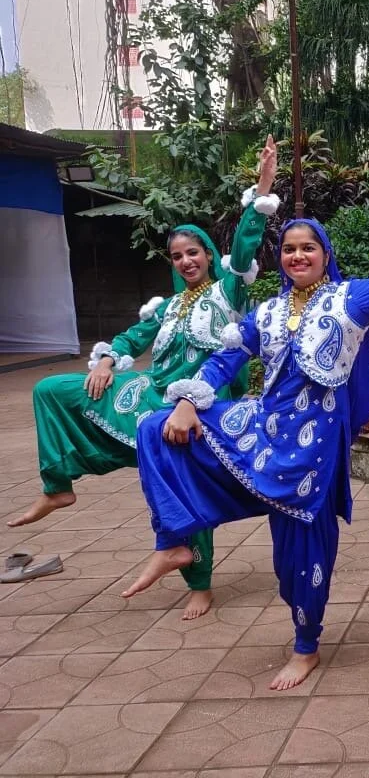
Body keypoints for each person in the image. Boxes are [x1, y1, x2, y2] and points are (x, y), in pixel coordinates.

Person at [120, 169, 369, 690]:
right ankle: (175, 540)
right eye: (288, 248)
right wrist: (192, 400)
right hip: (263, 427)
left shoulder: (352, 299)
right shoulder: (267, 310)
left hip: (314, 448)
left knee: (298, 556)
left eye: (308, 248)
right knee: (157, 427)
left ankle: (306, 645)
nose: (297, 256)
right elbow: (226, 357)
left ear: (325, 256)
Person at [8, 136, 280, 618]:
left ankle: (200, 581)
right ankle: (58, 485)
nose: (186, 261)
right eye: (176, 256)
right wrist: (109, 361)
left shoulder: (229, 293)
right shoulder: (170, 306)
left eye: (193, 252)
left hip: (200, 406)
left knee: (182, 482)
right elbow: (134, 337)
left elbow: (245, 247)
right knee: (52, 389)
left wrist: (262, 186)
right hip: (149, 394)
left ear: (207, 254)